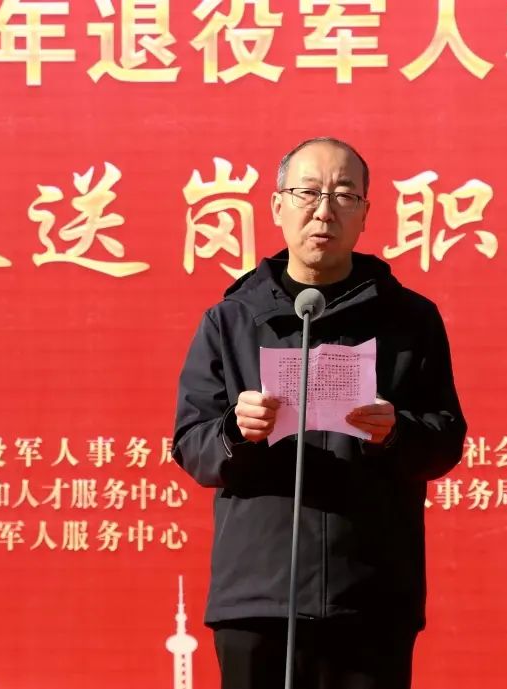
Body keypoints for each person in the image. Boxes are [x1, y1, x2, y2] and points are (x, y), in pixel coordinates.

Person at [172, 137, 466, 689]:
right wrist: (236, 431)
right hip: (258, 598)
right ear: (277, 206)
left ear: (365, 214)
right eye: (307, 193)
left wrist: (395, 432)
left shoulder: (409, 322)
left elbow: (445, 440)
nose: (324, 210)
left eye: (343, 195)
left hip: (370, 596)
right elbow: (193, 445)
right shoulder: (230, 321)